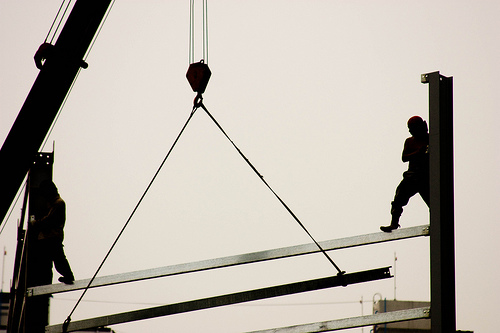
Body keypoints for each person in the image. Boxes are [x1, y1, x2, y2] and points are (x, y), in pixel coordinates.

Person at [380, 116, 430, 232]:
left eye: (412, 128)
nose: (410, 131)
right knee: (398, 199)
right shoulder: (410, 141)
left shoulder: (430, 138)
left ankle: (437, 222)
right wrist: (418, 152)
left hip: (425, 177)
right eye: (409, 128)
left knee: (434, 202)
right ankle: (394, 223)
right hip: (411, 177)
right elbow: (404, 157)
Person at [30, 180, 75, 284]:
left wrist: (35, 223)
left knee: (58, 260)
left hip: (51, 237)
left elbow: (49, 221)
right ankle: (66, 276)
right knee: (53, 262)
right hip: (49, 237)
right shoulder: (53, 204)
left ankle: (68, 276)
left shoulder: (58, 203)